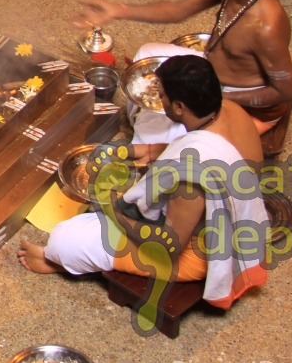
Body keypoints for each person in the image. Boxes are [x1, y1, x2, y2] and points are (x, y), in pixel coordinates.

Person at [18, 57, 270, 311]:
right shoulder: (228, 110)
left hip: (195, 253)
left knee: (65, 238)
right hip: (222, 218)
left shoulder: (189, 180)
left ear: (180, 107)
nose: (159, 102)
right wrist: (146, 151)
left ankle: (55, 260)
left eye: (162, 96)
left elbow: (168, 246)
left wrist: (114, 211)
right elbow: (196, 148)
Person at [74, 0, 292, 155]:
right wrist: (119, 10)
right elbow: (178, 10)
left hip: (241, 103)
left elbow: (284, 92)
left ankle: (155, 133)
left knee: (151, 141)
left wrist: (216, 97)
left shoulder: (266, 27)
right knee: (146, 53)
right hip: (211, 72)